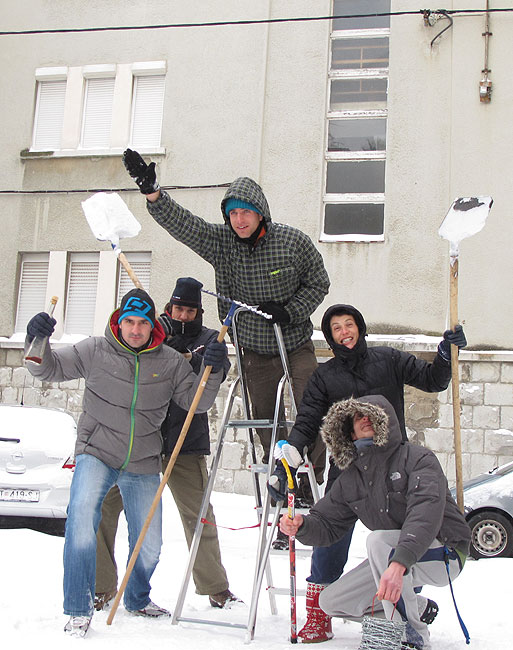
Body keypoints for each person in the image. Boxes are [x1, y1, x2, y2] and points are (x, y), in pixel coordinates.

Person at [122, 149, 331, 514]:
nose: (239, 220)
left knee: (311, 407)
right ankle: (283, 488)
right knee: (268, 421)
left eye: (245, 212)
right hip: (252, 348)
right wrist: (153, 192)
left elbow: (319, 282)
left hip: (294, 343)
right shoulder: (222, 244)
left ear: (260, 211)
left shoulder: (292, 242)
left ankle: (312, 473)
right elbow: (185, 225)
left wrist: (291, 311)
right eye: (232, 213)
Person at [24, 288, 227, 637]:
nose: (135, 330)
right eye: (129, 322)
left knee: (149, 542)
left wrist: (215, 369)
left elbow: (198, 402)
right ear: (119, 321)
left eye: (143, 323)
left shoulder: (170, 362)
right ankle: (77, 608)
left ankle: (137, 597)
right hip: (97, 451)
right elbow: (47, 370)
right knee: (82, 520)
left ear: (153, 327)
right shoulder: (94, 350)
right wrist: (35, 340)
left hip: (143, 458)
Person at [268, 303, 467, 642]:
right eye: (336, 328)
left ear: (360, 327)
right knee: (330, 540)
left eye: (349, 324)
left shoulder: (388, 359)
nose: (344, 332)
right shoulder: (324, 376)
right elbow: (307, 421)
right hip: (349, 467)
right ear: (330, 338)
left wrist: (446, 354)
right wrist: (286, 461)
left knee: (392, 540)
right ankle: (320, 613)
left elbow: (432, 380)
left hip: (394, 465)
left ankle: (406, 625)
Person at [94, 277, 241, 611]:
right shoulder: (149, 330)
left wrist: (213, 360)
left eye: (191, 310)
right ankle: (102, 586)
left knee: (199, 514)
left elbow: (216, 372)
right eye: (179, 309)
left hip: (185, 441)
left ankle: (216, 586)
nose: (185, 316)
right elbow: (126, 352)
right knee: (104, 508)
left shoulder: (209, 338)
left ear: (199, 313)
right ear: (168, 308)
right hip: (140, 441)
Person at [279, 394, 471, 650]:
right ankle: (415, 608)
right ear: (349, 432)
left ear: (386, 421)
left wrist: (399, 562)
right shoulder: (351, 479)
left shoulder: (418, 458)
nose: (365, 419)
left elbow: (424, 513)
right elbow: (326, 522)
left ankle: (410, 637)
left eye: (371, 413)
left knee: (379, 541)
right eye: (358, 417)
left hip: (444, 551)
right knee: (332, 601)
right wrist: (302, 525)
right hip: (392, 559)